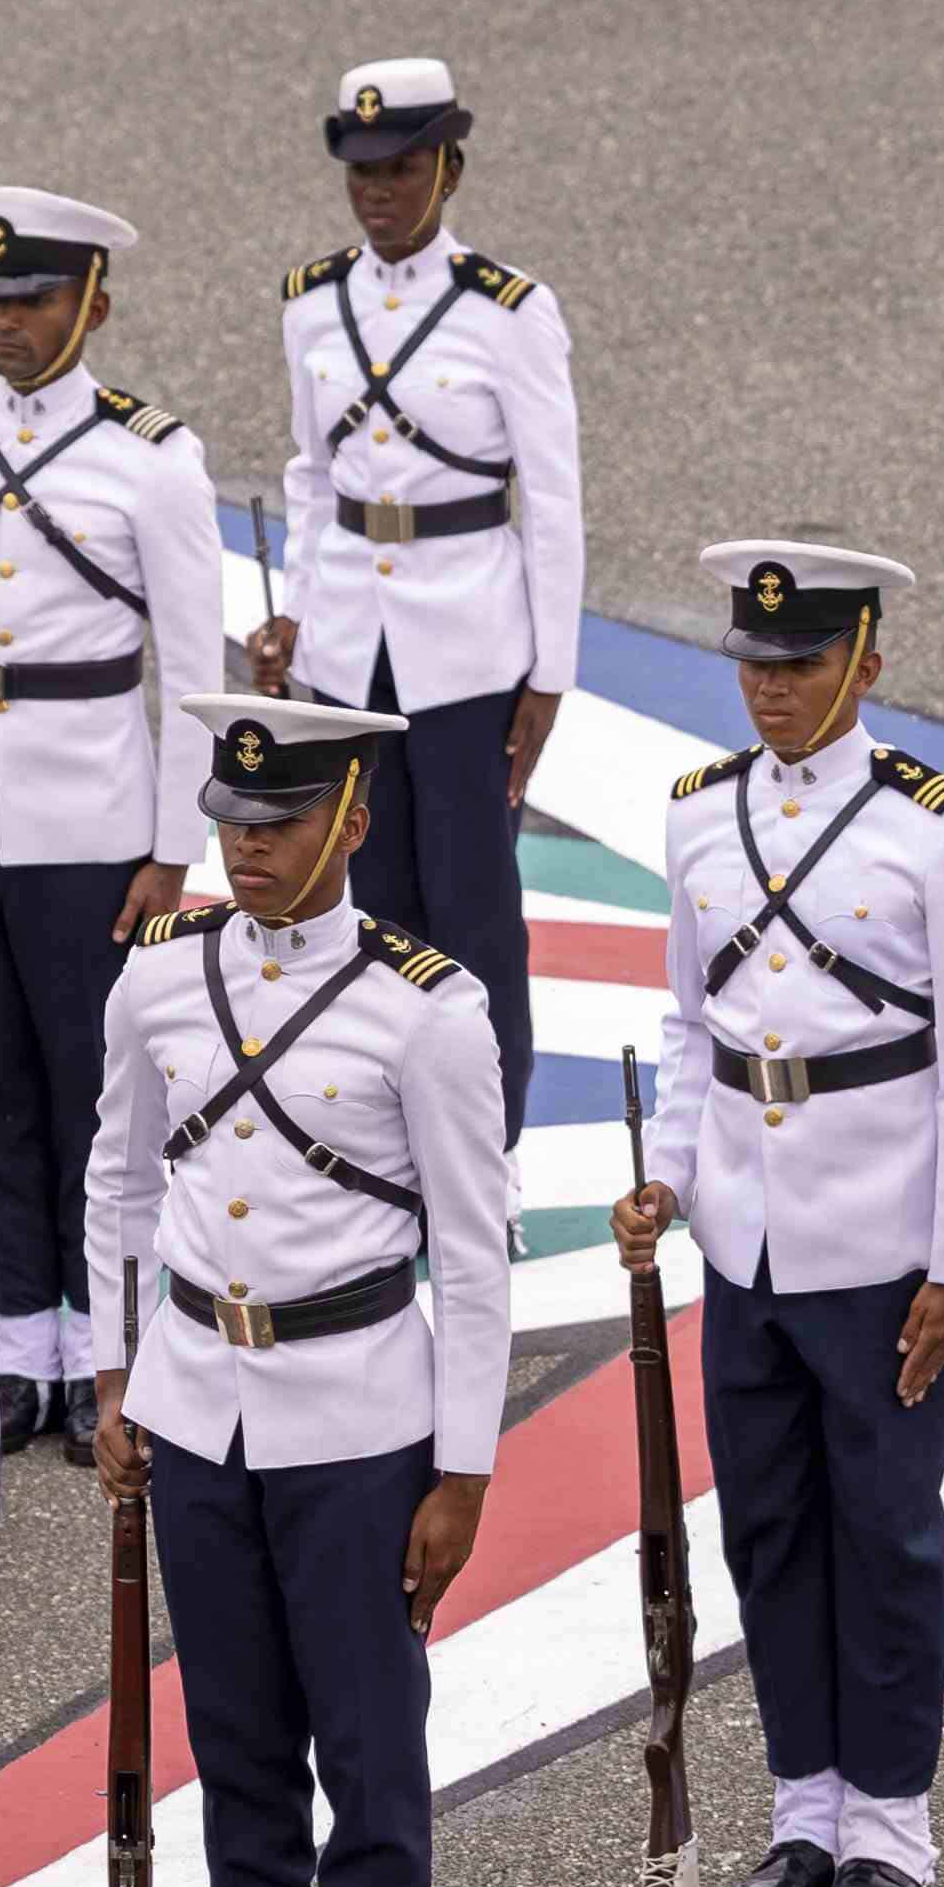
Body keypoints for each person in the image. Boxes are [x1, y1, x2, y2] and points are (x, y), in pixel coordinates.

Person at [82, 690, 514, 1887]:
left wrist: (463, 1471)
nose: (245, 848)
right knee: (240, 1740)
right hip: (203, 1401)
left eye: (276, 825)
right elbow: (120, 1185)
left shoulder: (426, 1008)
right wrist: (118, 1367)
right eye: (230, 821)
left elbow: (475, 1248)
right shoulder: (162, 980)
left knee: (368, 1746)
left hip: (356, 1415)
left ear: (351, 820)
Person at [613, 544, 944, 1887]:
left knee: (890, 1532)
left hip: (884, 1233)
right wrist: (669, 1177)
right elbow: (689, 1025)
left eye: (798, 666)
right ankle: (805, 1806)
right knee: (771, 1525)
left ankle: (892, 1824)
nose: (771, 691)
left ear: (867, 664)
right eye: (754, 664)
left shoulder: (942, 832)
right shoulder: (697, 817)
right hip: (748, 1231)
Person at [0, 189, 233, 1467]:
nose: (6, 326)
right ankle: (20, 1342)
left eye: (30, 300)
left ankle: (105, 1348)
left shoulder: (151, 458)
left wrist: (173, 845)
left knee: (97, 1092)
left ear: (93, 300)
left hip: (90, 803)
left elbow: (194, 662)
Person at [259, 56, 584, 1135]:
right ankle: (383, 1131)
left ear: (449, 168)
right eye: (361, 175)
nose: (379, 194)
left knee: (475, 916)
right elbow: (312, 477)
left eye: (400, 170)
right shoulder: (313, 305)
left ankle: (487, 1149)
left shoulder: (508, 312)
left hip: (468, 648)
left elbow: (551, 499)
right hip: (351, 645)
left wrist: (548, 675)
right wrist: (299, 617)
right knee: (368, 902)